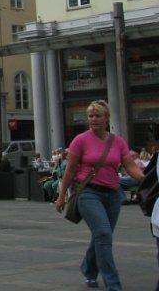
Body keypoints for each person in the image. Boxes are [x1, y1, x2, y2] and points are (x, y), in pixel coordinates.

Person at [55, 100, 145, 291]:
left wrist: (147, 180)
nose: (93, 119)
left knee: (102, 235)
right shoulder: (80, 140)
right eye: (90, 116)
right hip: (88, 193)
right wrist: (61, 195)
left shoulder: (117, 141)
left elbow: (130, 167)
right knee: (103, 233)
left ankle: (88, 268)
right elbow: (69, 171)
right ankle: (113, 284)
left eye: (98, 116)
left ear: (107, 119)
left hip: (113, 194)